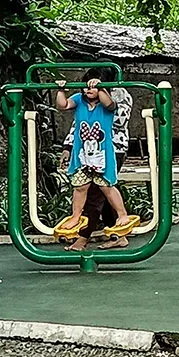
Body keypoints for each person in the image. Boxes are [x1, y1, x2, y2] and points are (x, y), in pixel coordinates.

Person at [61, 68, 133, 251]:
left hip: (112, 149)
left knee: (98, 192)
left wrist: (101, 94)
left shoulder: (120, 94)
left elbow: (118, 118)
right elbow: (79, 123)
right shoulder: (83, 97)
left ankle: (82, 238)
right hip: (85, 150)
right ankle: (117, 234)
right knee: (93, 190)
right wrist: (68, 147)